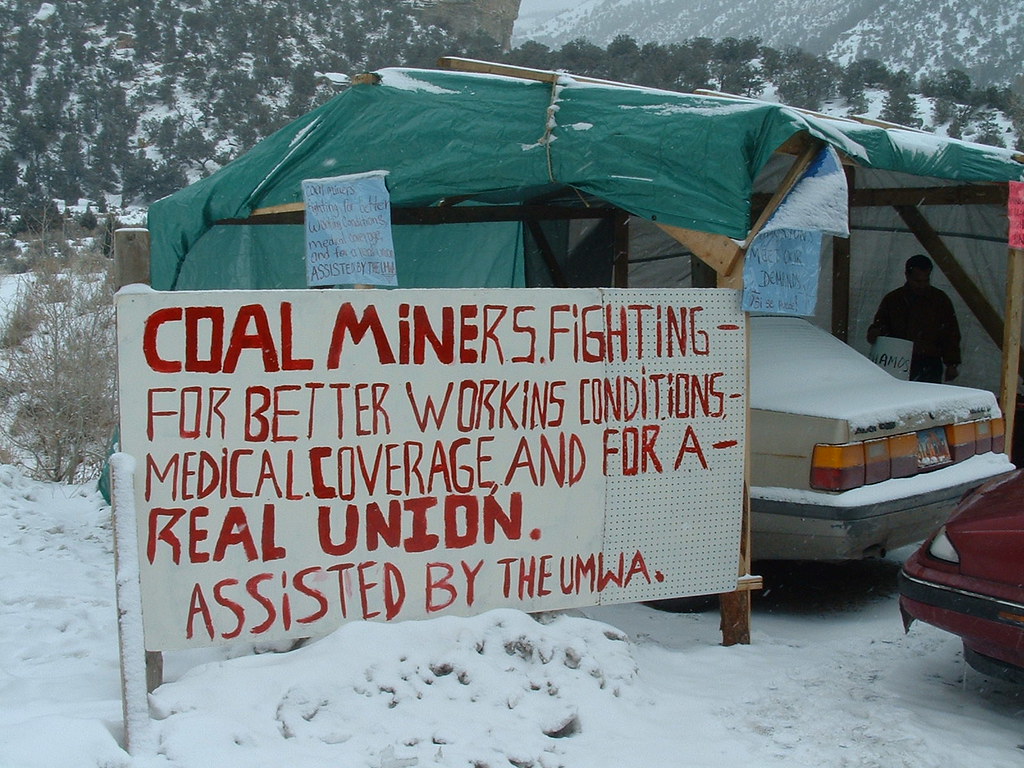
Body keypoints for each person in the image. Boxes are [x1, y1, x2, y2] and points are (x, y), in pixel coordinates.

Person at [866, 254, 961, 383]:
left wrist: (952, 364)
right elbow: (880, 325)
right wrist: (876, 332)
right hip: (898, 362)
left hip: (928, 363)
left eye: (926, 280)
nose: (922, 285)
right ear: (907, 276)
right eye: (917, 281)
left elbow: (951, 333)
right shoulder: (893, 300)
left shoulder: (940, 300)